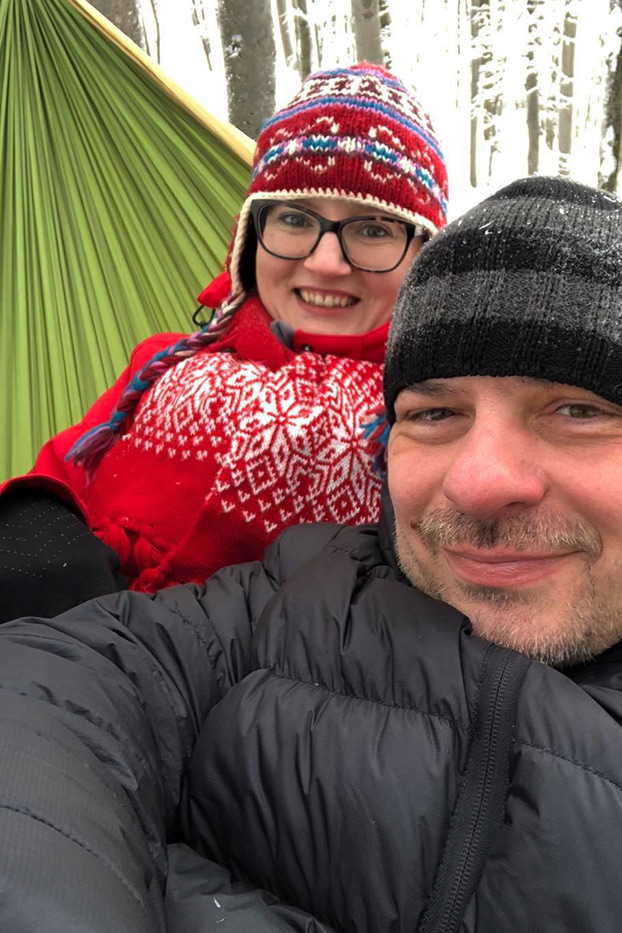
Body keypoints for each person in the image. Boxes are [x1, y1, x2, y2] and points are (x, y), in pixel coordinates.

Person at [2, 176, 622, 933]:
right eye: (434, 414)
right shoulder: (304, 590)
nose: (477, 482)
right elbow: (68, 684)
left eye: (579, 410)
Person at [0, 62, 448, 618]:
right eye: (295, 219)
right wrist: (36, 524)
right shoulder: (167, 362)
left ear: (424, 256)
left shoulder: (440, 409)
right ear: (252, 235)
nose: (325, 261)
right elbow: (65, 467)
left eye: (374, 229)